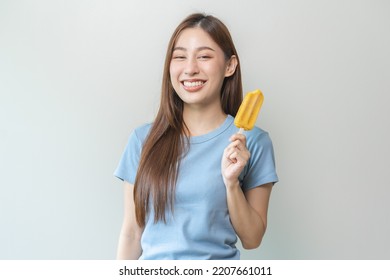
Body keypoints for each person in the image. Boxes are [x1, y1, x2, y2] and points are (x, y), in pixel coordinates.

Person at [114, 13, 278, 260]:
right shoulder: (143, 139)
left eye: (204, 56)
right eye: (179, 56)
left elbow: (252, 238)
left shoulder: (252, 142)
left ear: (230, 65)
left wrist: (232, 184)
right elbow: (131, 233)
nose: (190, 69)